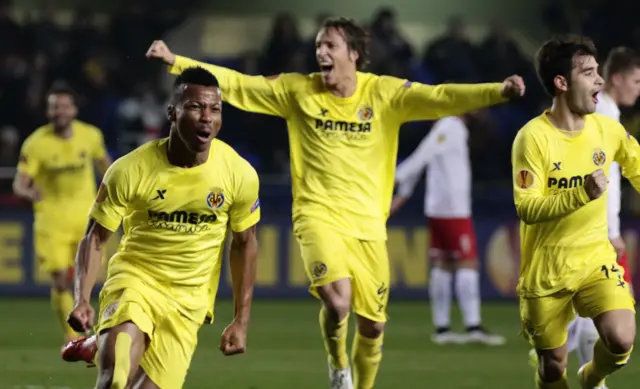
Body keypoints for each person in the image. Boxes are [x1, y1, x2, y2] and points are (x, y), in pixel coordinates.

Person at [146, 17, 524, 389]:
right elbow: (239, 85)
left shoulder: (384, 94)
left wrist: (497, 92)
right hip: (317, 217)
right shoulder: (299, 91)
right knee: (338, 301)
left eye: (330, 45)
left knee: (373, 326)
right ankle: (338, 364)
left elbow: (442, 95)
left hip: (369, 228)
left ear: (354, 54)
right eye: (318, 46)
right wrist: (177, 62)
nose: (320, 52)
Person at [65, 67, 261, 389]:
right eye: (196, 107)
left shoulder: (239, 174)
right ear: (172, 112)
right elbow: (95, 238)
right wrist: (82, 298)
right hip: (136, 278)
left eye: (214, 109)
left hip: (188, 302)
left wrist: (241, 320)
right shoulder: (130, 169)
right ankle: (106, 341)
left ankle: (96, 344)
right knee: (117, 374)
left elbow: (244, 245)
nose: (206, 118)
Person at [512, 35, 637, 389]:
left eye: (598, 71)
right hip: (546, 269)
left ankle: (591, 378)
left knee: (622, 338)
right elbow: (528, 207)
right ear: (562, 83)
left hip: (594, 260)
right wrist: (581, 193)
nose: (599, 79)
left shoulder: (607, 129)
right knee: (552, 367)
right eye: (588, 72)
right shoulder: (532, 138)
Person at [390, 113, 506, 346]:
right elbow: (422, 157)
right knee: (467, 264)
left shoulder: (443, 129)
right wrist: (396, 178)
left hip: (439, 209)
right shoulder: (450, 125)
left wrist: (399, 197)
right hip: (453, 210)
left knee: (443, 265)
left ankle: (442, 328)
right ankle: (473, 326)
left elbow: (424, 160)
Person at [12, 83, 111, 347]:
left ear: (75, 109)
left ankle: (94, 330)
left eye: (65, 106)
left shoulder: (91, 136)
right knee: (61, 279)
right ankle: (73, 336)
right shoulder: (36, 143)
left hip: (85, 219)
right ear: (48, 111)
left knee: (85, 279)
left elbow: (109, 170)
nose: (60, 111)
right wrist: (27, 192)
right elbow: (20, 183)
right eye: (55, 106)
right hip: (51, 221)